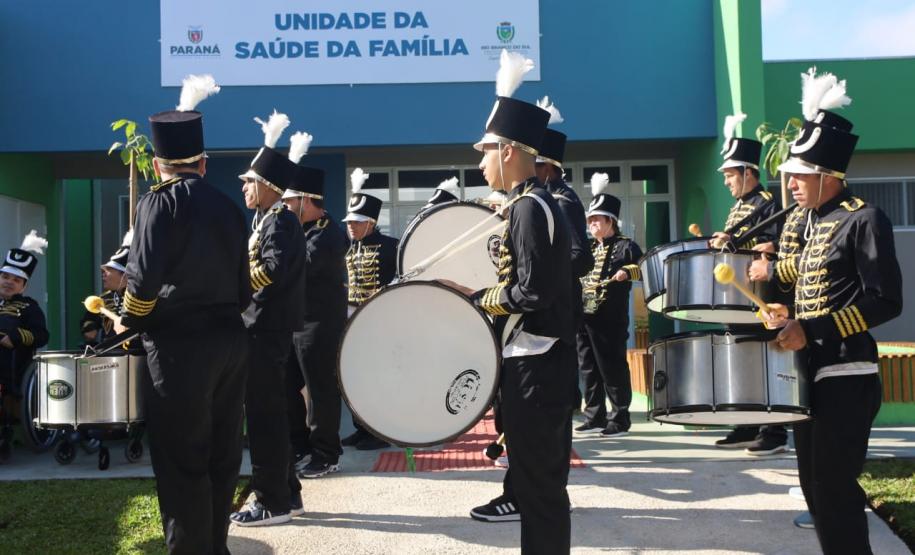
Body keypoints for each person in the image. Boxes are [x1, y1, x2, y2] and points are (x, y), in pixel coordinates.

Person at [762, 69, 902, 554]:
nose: (792, 183)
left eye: (800, 175)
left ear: (827, 175)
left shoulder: (864, 218)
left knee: (835, 491)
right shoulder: (814, 224)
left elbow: (885, 299)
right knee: (815, 490)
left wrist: (813, 328)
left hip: (847, 371)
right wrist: (784, 312)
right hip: (810, 375)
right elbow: (811, 290)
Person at [442, 50, 576, 554]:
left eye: (486, 151)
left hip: (537, 367)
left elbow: (534, 291)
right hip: (539, 362)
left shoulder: (528, 208)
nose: (480, 162)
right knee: (540, 486)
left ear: (511, 151)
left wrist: (478, 298)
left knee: (539, 488)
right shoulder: (533, 204)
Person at [118, 75, 252, 554]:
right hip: (231, 340)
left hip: (179, 347)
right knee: (221, 455)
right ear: (203, 162)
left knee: (180, 459)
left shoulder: (156, 203)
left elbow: (142, 283)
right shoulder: (231, 207)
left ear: (157, 166)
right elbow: (243, 289)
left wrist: (128, 319)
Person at [230, 112, 307, 527]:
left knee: (263, 418)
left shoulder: (279, 221)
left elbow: (272, 270)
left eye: (248, 182)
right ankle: (289, 494)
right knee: (270, 413)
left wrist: (236, 291)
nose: (243, 187)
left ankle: (272, 500)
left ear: (266, 186)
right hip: (263, 327)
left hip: (264, 329)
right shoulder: (266, 220)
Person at [710, 111, 787, 453]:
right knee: (741, 360)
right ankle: (746, 424)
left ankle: (773, 433)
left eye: (730, 175)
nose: (727, 181)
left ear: (748, 172)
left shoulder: (768, 203)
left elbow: (775, 244)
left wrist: (766, 250)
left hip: (760, 294)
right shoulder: (739, 206)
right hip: (735, 294)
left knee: (765, 361)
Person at [281, 132, 348, 478]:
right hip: (296, 322)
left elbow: (296, 270)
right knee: (287, 385)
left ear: (307, 201)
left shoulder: (329, 234)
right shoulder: (304, 231)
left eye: (290, 203)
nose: (286, 209)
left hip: (318, 325)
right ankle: (300, 446)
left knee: (321, 391)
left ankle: (326, 451)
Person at [575, 175, 643, 436]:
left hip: (610, 318)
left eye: (596, 220)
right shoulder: (589, 247)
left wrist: (627, 271)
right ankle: (595, 415)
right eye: (590, 219)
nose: (591, 224)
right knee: (588, 366)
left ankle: (620, 417)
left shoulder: (626, 246)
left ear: (610, 221)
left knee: (611, 365)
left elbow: (643, 268)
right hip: (585, 315)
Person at [340, 168, 399, 451]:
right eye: (350, 222)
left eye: (358, 222)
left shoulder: (391, 247)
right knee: (353, 375)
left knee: (377, 377)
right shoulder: (348, 247)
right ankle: (361, 428)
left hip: (378, 319)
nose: (351, 226)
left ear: (372, 222)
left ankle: (379, 431)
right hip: (351, 316)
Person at [0, 232, 50, 460]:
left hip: (12, 365)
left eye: (15, 279)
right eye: (5, 276)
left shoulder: (29, 307)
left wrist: (15, 338)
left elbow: (41, 336)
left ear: (23, 286)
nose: (9, 282)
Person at [80, 233, 131, 347]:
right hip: (111, 355)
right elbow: (89, 319)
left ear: (124, 275)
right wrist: (90, 328)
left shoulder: (140, 297)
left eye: (108, 270)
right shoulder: (103, 299)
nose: (103, 275)